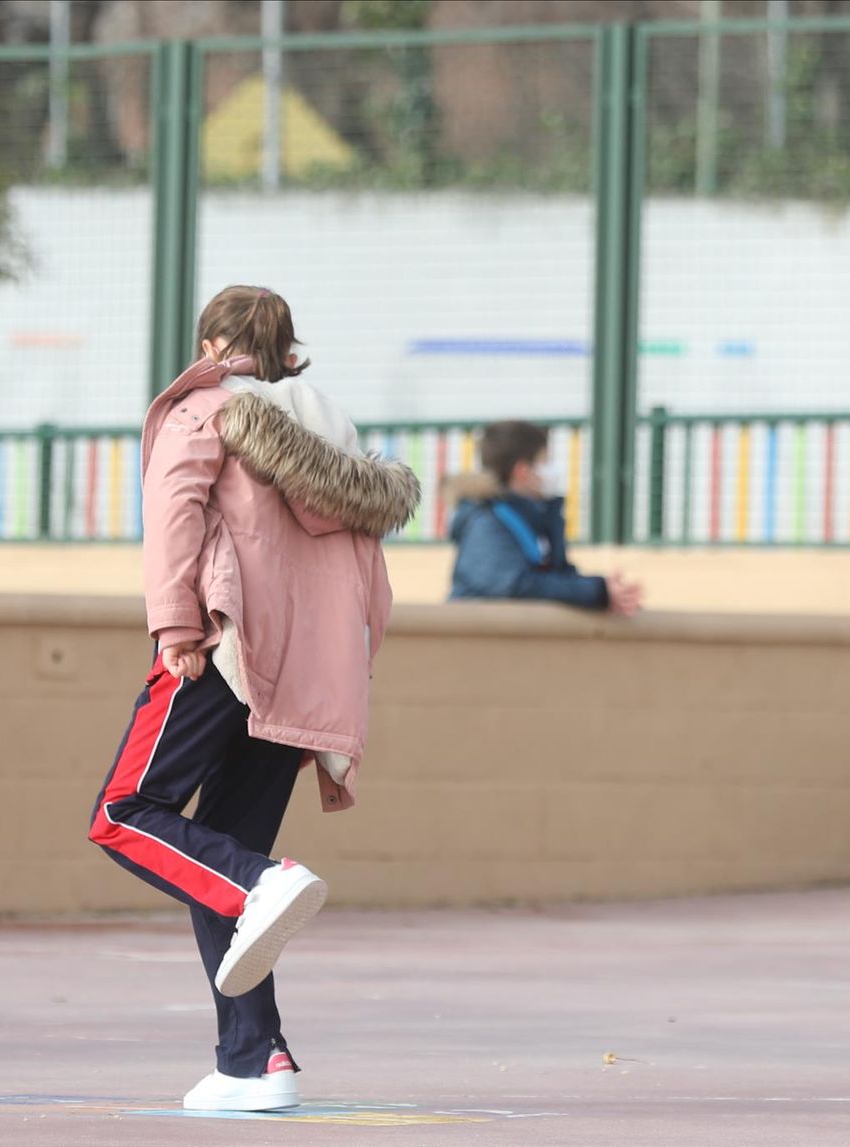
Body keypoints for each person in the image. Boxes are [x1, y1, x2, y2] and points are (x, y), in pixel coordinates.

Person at [87, 286, 420, 1112]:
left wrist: (174, 624)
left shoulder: (203, 408)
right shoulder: (334, 441)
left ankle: (260, 885)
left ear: (211, 342)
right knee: (219, 853)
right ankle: (255, 1060)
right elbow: (369, 585)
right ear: (287, 351)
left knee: (127, 811)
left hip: (222, 647)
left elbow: (176, 513)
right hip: (308, 672)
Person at [448, 420, 642, 615]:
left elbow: (557, 576)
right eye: (545, 461)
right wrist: (596, 591)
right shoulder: (486, 522)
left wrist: (608, 592)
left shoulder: (536, 519)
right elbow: (515, 585)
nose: (553, 470)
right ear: (522, 471)